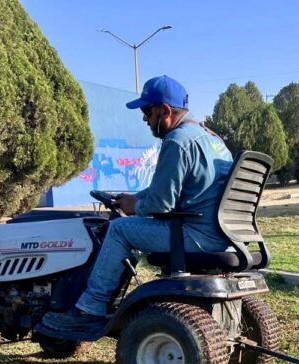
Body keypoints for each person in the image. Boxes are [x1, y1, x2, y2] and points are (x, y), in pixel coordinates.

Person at [40, 75, 234, 333]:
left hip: (194, 235)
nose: (144, 119)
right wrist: (134, 198)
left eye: (147, 111)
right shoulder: (212, 140)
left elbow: (161, 204)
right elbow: (171, 188)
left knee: (120, 229)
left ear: (164, 111)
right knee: (127, 223)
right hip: (221, 233)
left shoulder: (177, 141)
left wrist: (135, 207)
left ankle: (90, 308)